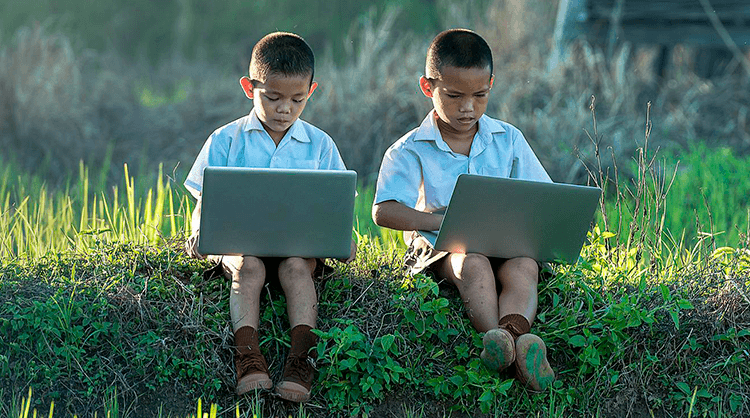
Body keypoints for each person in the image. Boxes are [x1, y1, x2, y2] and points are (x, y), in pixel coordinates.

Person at [371, 28, 555, 391]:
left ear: (491, 84)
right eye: (454, 96)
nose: (468, 107)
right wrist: (438, 221)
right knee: (471, 262)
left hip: (502, 237)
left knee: (524, 266)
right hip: (442, 242)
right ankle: (499, 339)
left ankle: (511, 338)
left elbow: (542, 194)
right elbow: (384, 210)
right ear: (428, 87)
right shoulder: (410, 149)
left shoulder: (508, 139)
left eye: (480, 95)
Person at [183, 32, 353, 402]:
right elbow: (204, 198)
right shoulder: (226, 140)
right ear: (249, 87)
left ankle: (300, 358)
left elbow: (334, 203)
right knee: (249, 267)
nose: (284, 109)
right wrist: (199, 231)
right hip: (240, 243)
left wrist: (343, 238)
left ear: (312, 89)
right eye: (272, 98)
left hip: (297, 245)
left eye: (297, 100)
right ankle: (248, 357)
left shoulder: (321, 145)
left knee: (296, 267)